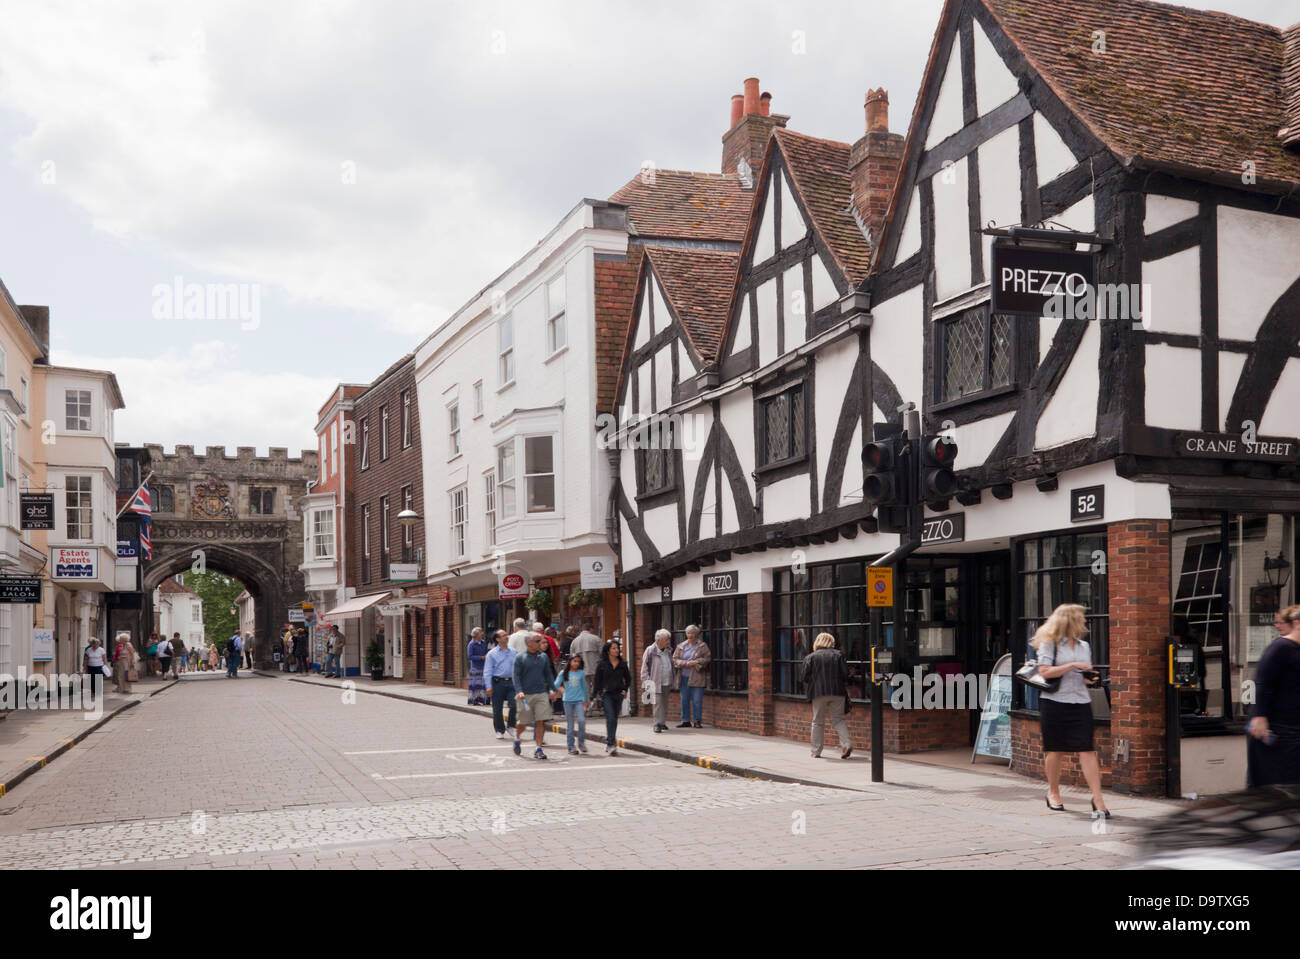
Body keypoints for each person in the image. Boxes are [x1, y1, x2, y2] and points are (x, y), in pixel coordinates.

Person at [1033, 603, 1109, 817]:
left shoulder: (1085, 646)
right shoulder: (1050, 643)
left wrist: (1090, 677)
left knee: (1087, 750)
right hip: (1055, 703)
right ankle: (1053, 792)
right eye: (1082, 618)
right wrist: (1073, 665)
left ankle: (1098, 799)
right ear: (1070, 620)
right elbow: (1045, 672)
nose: (1085, 621)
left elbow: (1083, 674)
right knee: (1055, 750)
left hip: (1080, 702)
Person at [1247, 604, 1300, 787]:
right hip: (1277, 728)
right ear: (1298, 624)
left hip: (1293, 729)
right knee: (1276, 786)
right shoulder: (1281, 647)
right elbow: (1263, 681)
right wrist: (1260, 715)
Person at [801, 632, 853, 759]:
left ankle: (816, 751)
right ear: (831, 642)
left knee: (817, 721)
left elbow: (803, 677)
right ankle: (846, 744)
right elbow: (845, 674)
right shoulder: (839, 655)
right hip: (837, 691)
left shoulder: (811, 657)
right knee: (838, 719)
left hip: (818, 692)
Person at [512, 632, 557, 760]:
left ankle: (538, 748)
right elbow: (516, 676)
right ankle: (517, 737)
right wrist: (519, 691)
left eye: (541, 641)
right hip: (525, 695)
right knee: (524, 722)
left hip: (541, 693)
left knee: (540, 721)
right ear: (529, 643)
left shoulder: (543, 657)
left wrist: (553, 690)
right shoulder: (520, 658)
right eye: (537, 641)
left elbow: (548, 675)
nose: (541, 644)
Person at [593, 640, 631, 755]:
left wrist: (625, 690)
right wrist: (595, 695)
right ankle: (611, 744)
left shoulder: (622, 664)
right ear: (608, 650)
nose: (616, 650)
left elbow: (628, 679)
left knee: (614, 719)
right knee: (610, 718)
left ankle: (610, 741)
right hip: (607, 694)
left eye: (617, 648)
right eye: (613, 648)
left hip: (618, 694)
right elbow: (597, 681)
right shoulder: (602, 664)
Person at [672, 625, 711, 728]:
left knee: (697, 700)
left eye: (693, 633)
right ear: (686, 634)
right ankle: (686, 721)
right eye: (688, 633)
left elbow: (707, 658)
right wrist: (684, 663)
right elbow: (675, 659)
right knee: (684, 700)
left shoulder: (703, 646)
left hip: (697, 677)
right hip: (683, 677)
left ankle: (697, 721)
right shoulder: (681, 646)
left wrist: (696, 661)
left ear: (696, 634)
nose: (690, 635)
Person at [484, 629, 517, 739]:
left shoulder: (514, 651)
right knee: (497, 708)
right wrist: (488, 686)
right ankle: (499, 730)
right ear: (497, 639)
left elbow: (518, 668)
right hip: (498, 682)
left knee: (515, 704)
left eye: (506, 635)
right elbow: (487, 671)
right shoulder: (491, 654)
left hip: (512, 682)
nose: (506, 637)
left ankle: (511, 725)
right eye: (503, 635)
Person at [641, 628, 676, 733]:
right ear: (659, 640)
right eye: (666, 640)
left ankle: (662, 722)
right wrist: (646, 681)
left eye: (668, 640)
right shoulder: (650, 650)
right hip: (655, 681)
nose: (668, 642)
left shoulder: (668, 650)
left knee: (664, 703)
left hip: (666, 681)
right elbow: (644, 667)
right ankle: (656, 724)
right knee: (657, 704)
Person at [553, 654, 588, 755]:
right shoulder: (564, 673)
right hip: (567, 701)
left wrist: (585, 701)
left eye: (578, 661)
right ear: (570, 662)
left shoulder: (581, 673)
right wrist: (554, 692)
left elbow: (584, 687)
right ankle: (571, 746)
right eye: (574, 661)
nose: (576, 663)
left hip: (579, 701)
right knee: (570, 725)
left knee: (581, 721)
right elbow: (556, 684)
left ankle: (581, 743)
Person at [570, 626, 604, 707]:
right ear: (590, 629)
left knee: (585, 689)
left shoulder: (575, 641)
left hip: (581, 669)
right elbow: (603, 653)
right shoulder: (596, 638)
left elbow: (572, 656)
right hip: (595, 667)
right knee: (598, 688)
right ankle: (598, 706)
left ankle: (587, 707)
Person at [466, 627, 489, 705]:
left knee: (483, 684)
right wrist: (481, 657)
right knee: (476, 685)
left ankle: (485, 700)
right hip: (476, 668)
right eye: (481, 632)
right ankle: (474, 700)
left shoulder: (483, 642)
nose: (482, 633)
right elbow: (470, 656)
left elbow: (486, 652)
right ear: (476, 635)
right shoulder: (471, 644)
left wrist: (487, 656)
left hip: (484, 666)